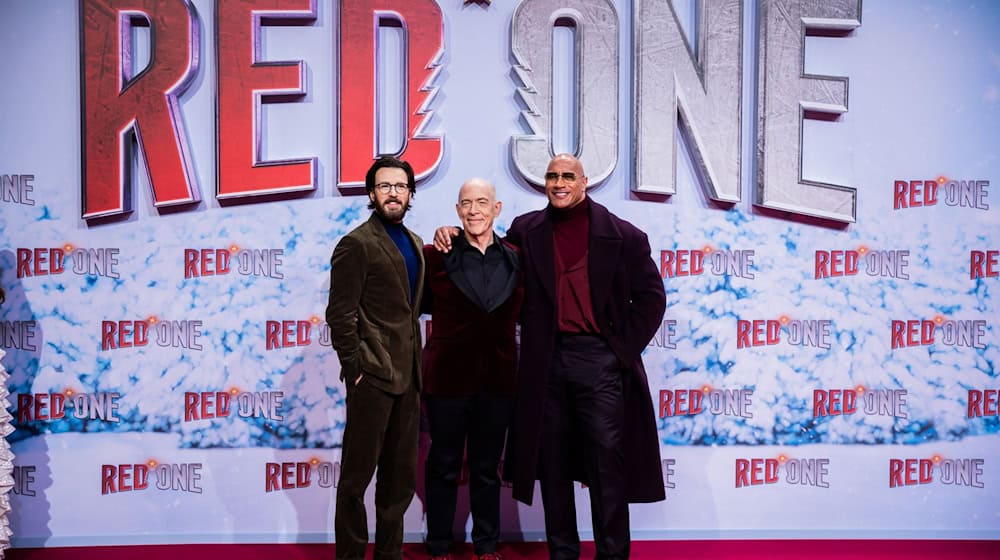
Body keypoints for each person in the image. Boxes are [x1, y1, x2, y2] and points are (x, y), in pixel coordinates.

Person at [435, 154, 666, 560]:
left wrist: (619, 352)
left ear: (584, 182)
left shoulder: (624, 235)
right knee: (553, 462)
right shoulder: (527, 231)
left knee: (605, 464)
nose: (559, 183)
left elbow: (652, 299)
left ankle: (612, 554)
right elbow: (486, 249)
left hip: (600, 361)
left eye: (567, 176)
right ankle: (563, 552)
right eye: (552, 176)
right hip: (546, 362)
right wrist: (450, 233)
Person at [326, 156, 425, 560]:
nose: (392, 193)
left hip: (410, 379)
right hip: (373, 378)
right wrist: (356, 370)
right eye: (384, 186)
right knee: (354, 481)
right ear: (371, 194)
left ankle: (389, 555)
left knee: (398, 482)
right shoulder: (356, 244)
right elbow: (339, 313)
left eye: (400, 186)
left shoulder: (416, 243)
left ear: (410, 194)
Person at [421, 178, 524, 560]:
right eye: (466, 203)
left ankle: (486, 545)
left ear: (497, 209)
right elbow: (416, 306)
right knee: (444, 464)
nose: (474, 210)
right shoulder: (436, 255)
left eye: (482, 202)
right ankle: (439, 546)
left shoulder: (516, 257)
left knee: (485, 469)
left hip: (497, 381)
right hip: (447, 379)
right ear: (457, 210)